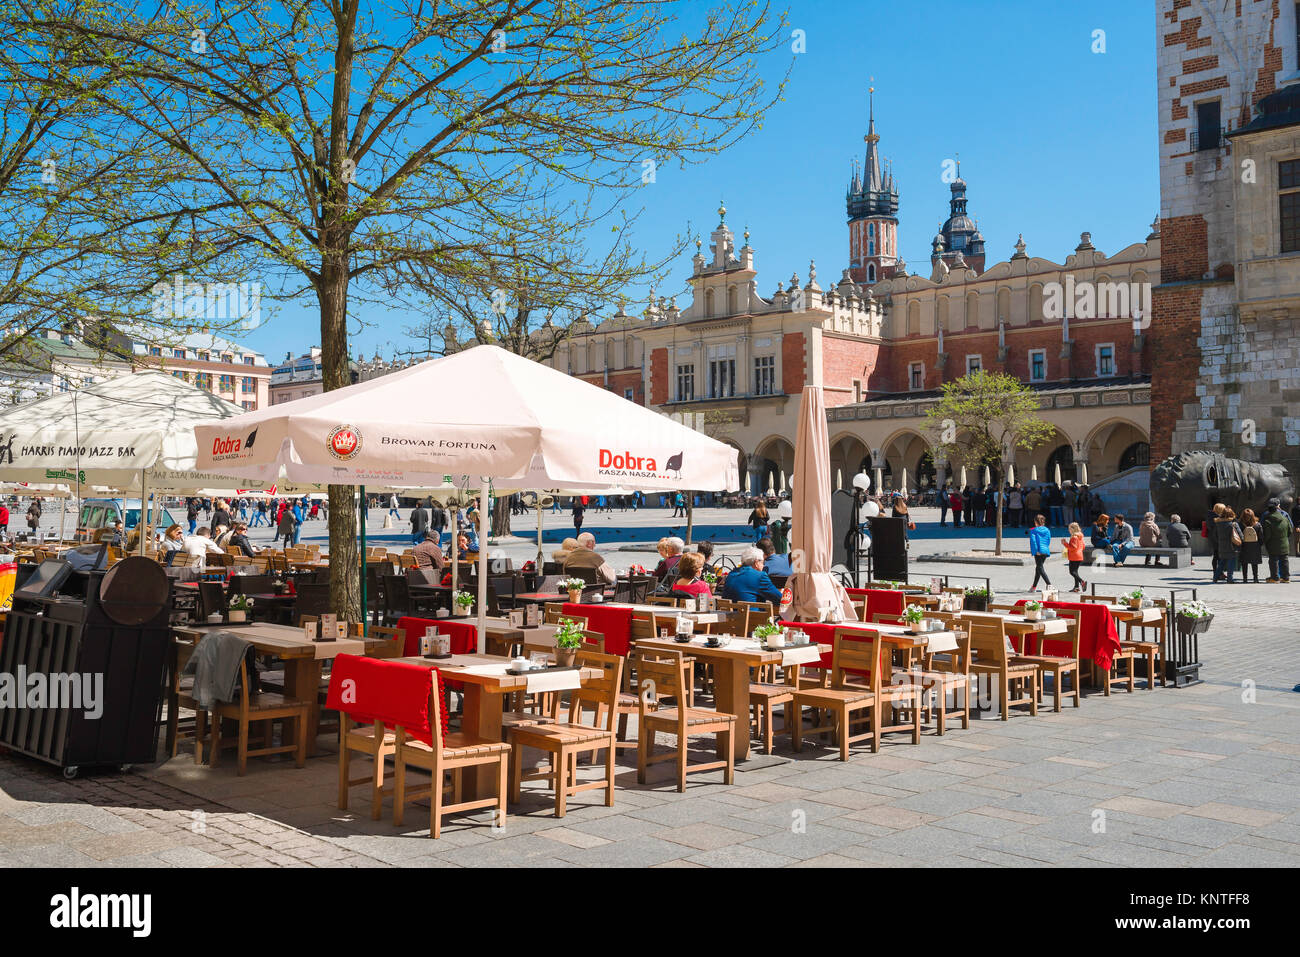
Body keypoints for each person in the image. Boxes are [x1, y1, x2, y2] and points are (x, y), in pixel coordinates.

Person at [1262, 499, 1294, 583]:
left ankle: (1275, 578)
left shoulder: (1267, 519)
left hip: (1273, 543)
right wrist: (1284, 538)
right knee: (1284, 560)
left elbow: (1267, 534)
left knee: (1273, 560)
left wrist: (1265, 541)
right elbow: (1290, 530)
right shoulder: (1285, 517)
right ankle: (1286, 578)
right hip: (1284, 542)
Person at [1212, 506, 1242, 583]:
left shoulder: (1217, 524)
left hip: (1221, 546)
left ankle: (1215, 577)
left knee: (1222, 562)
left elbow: (1215, 536)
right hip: (1232, 546)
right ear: (1232, 514)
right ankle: (1230, 578)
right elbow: (1241, 536)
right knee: (1231, 562)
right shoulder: (1233, 524)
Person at [1238, 507, 1263, 583]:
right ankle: (1255, 578)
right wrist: (1259, 544)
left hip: (1244, 546)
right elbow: (1261, 537)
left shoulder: (1240, 524)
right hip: (1255, 546)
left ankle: (1245, 578)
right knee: (1254, 563)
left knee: (1244, 563)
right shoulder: (1258, 525)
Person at [1028, 513, 1052, 590]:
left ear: (1035, 522)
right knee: (1038, 568)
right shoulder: (1047, 530)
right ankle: (1034, 587)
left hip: (1038, 551)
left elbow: (1033, 541)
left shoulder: (1033, 531)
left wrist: (1036, 551)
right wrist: (1045, 548)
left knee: (1040, 568)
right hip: (1045, 550)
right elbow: (1048, 540)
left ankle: (1049, 584)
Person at [1063, 522, 1086, 592]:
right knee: (1075, 572)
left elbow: (1073, 547)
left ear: (1073, 529)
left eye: (1069, 529)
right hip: (1079, 556)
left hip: (1074, 556)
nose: (1068, 530)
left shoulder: (1074, 537)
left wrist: (1065, 543)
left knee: (1072, 572)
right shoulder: (1080, 537)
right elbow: (1083, 546)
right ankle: (1076, 587)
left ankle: (1082, 582)